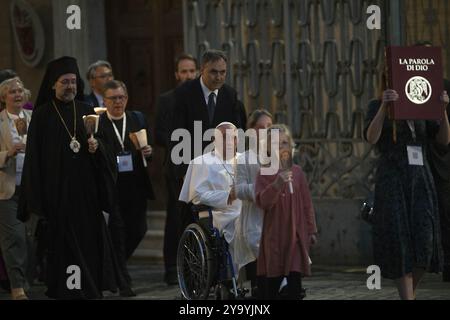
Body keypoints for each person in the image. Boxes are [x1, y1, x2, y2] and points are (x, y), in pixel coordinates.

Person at [17, 56, 127, 299]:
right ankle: (67, 290)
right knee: (64, 246)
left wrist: (96, 146)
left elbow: (108, 150)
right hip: (56, 195)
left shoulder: (88, 111)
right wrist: (35, 197)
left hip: (86, 194)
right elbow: (34, 158)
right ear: (53, 85)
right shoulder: (43, 115)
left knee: (88, 244)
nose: (69, 86)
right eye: (64, 82)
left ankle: (87, 288)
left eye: (73, 82)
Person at [364, 67, 449, 299]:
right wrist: (384, 106)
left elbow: (443, 140)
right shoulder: (376, 104)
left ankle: (409, 294)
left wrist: (442, 110)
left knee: (426, 241)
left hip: (421, 179)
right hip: (394, 180)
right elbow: (371, 137)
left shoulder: (421, 106)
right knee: (400, 240)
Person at [97, 80, 154, 276]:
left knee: (139, 229)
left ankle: (114, 265)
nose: (118, 102)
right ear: (104, 101)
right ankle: (122, 277)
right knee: (118, 231)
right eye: (113, 98)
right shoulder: (99, 123)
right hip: (111, 185)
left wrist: (148, 151)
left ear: (127, 99)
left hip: (135, 184)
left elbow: (148, 148)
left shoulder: (136, 119)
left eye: (121, 97)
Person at [255, 124, 317, 300]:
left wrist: (311, 229)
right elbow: (262, 202)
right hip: (275, 235)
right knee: (273, 283)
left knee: (295, 281)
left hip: (296, 234)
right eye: (275, 143)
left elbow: (306, 203)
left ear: (290, 146)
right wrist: (276, 185)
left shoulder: (297, 172)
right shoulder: (264, 173)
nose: (281, 147)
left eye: (284, 143)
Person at [179, 122, 248, 278]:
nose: (230, 141)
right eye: (224, 137)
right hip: (220, 215)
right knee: (245, 226)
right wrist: (227, 196)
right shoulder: (202, 162)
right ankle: (237, 278)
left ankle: (269, 280)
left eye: (234, 138)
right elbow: (196, 196)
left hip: (245, 210)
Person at [155, 53, 197, 285]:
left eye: (192, 71)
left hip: (201, 165)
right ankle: (171, 266)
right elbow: (158, 133)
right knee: (175, 216)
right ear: (176, 74)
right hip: (176, 167)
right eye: (184, 71)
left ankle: (196, 263)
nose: (188, 76)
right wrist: (179, 141)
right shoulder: (167, 99)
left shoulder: (202, 98)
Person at [233, 109, 273, 297]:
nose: (265, 131)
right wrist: (260, 189)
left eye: (269, 127)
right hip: (254, 217)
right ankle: (261, 285)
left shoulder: (279, 155)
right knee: (257, 240)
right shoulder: (243, 158)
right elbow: (239, 189)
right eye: (260, 127)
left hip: (276, 215)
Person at [0, 77, 32, 300]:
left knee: (31, 238)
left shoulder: (34, 119)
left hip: (32, 188)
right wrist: (7, 153)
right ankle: (17, 285)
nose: (17, 95)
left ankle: (28, 277)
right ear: (4, 97)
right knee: (14, 238)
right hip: (8, 189)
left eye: (20, 91)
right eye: (12, 92)